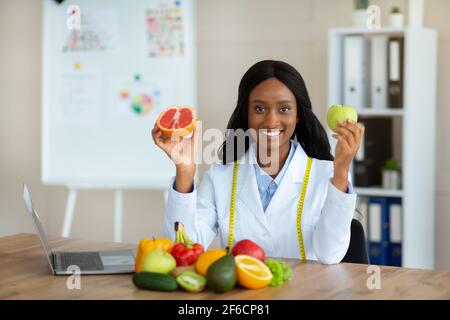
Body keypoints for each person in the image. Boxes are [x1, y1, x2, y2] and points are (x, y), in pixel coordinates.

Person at [152, 60, 364, 264]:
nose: (271, 121)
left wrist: (341, 171)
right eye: (259, 109)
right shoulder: (220, 177)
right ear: (246, 113)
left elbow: (330, 255)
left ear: (298, 114)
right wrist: (184, 172)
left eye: (284, 109)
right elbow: (180, 250)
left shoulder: (327, 174)